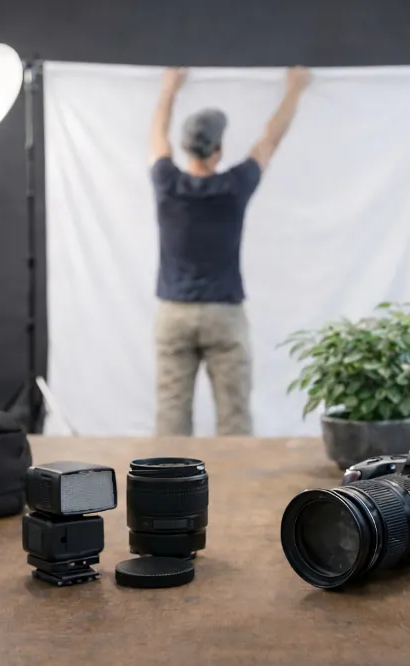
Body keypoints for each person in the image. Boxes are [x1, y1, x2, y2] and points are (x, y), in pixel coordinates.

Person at [148, 65, 311, 436]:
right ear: (218, 150)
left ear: (185, 147)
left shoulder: (166, 183)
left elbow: (157, 137)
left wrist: (169, 89)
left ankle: (168, 489)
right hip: (224, 313)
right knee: (234, 417)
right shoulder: (234, 187)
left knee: (171, 416)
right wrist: (295, 89)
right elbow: (269, 140)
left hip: (173, 313)